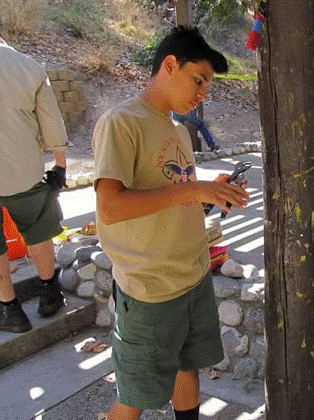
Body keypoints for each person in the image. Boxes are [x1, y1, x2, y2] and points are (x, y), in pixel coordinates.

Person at [92, 26, 249, 420]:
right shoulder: (121, 122)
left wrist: (211, 193)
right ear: (169, 65)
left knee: (187, 366)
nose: (202, 94)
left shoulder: (178, 129)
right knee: (135, 396)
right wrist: (192, 191)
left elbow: (174, 196)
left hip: (192, 276)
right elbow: (110, 207)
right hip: (150, 289)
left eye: (207, 85)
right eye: (199, 80)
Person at [0, 35, 68, 333]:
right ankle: (50, 293)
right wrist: (60, 167)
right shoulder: (27, 66)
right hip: (23, 169)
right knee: (39, 228)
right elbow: (51, 120)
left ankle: (10, 311)